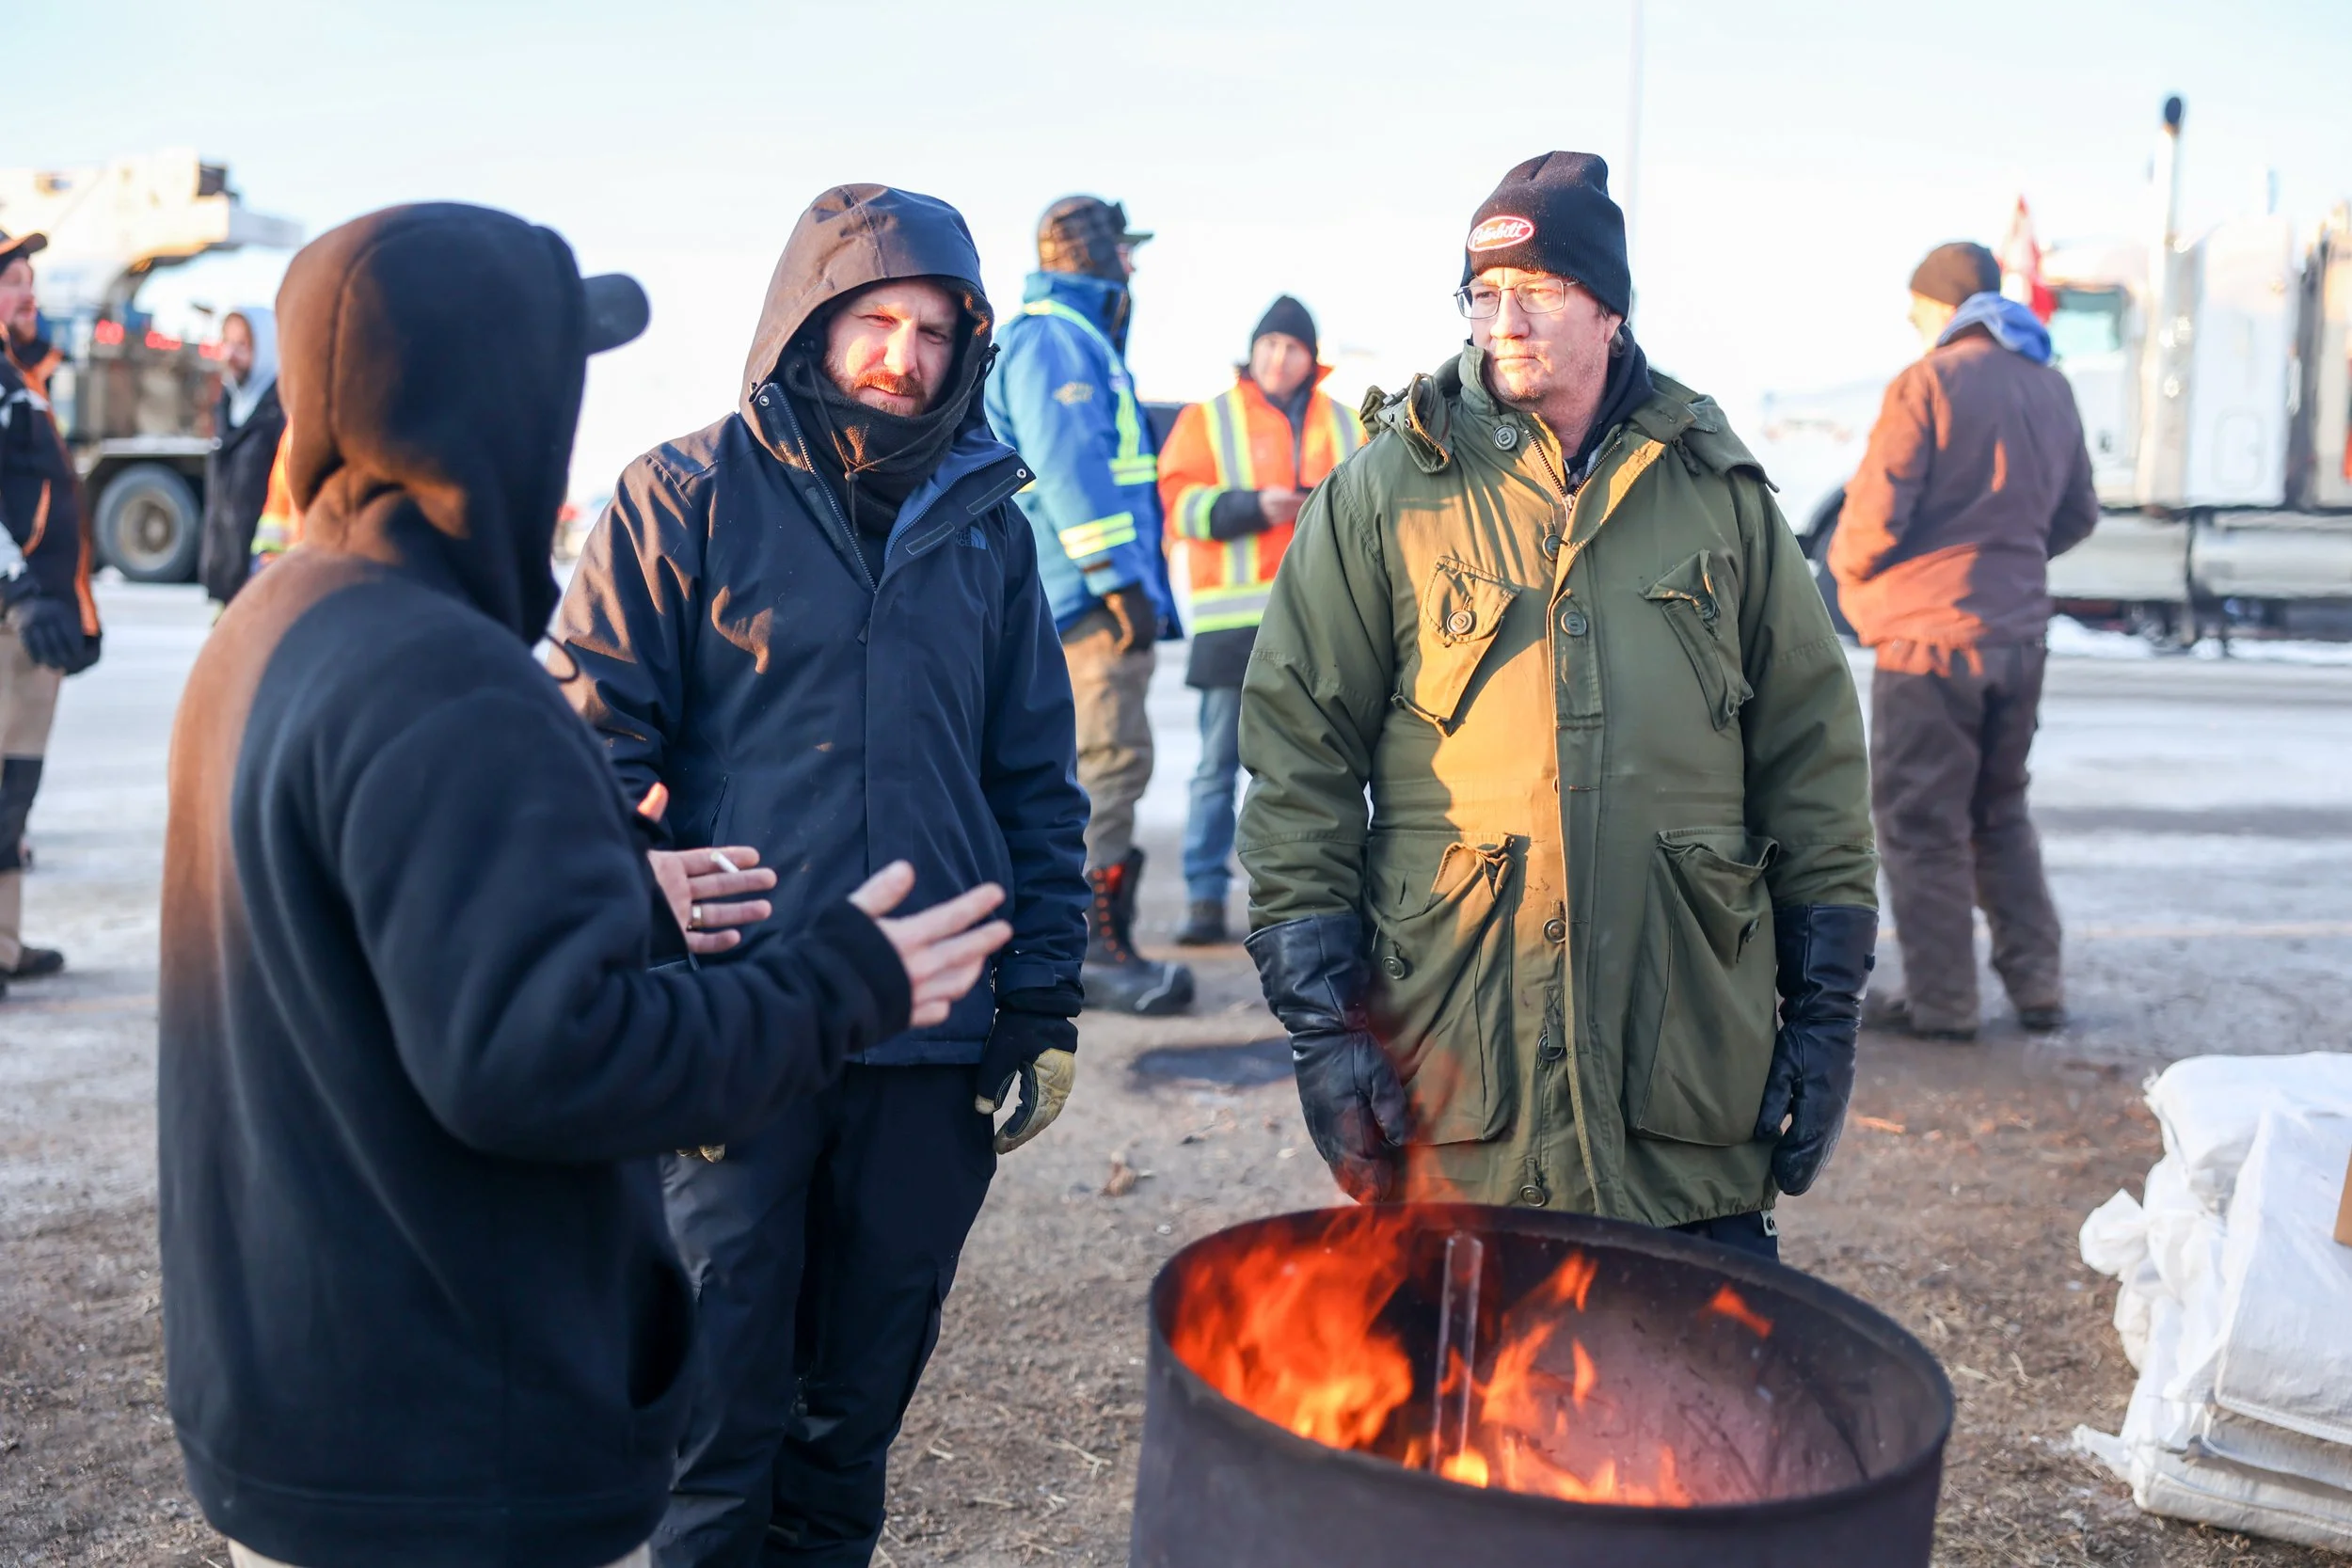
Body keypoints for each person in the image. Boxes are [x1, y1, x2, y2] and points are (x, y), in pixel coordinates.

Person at [158, 201, 1013, 1568]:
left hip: (304, 1409)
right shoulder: (444, 677)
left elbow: (399, 954)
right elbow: (536, 1056)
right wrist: (838, 980)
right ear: (490, 398)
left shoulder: (278, 624)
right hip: (437, 1462)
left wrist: (626, 895)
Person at [553, 183, 1089, 1567]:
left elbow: (1035, 777)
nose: (902, 355)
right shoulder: (681, 496)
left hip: (929, 1037)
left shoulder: (988, 527)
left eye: (932, 329)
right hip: (733, 1030)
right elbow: (579, 754)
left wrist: (1041, 998)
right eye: (874, 319)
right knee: (711, 1413)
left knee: (851, 1418)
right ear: (809, 320)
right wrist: (641, 909)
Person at [1237, 153, 1878, 1257]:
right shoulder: (1386, 491)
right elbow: (1298, 754)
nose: (1503, 320)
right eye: (1482, 292)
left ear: (1609, 309)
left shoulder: (1717, 492)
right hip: (1460, 1066)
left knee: (1696, 1363)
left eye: (1536, 288)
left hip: (1685, 1078)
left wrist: (1826, 1012)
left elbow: (1810, 754)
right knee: (1463, 1365)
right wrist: (1322, 1021)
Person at [1828, 242, 2098, 1042]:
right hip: (2018, 635)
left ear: (1942, 307)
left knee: (1921, 822)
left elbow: (1873, 518)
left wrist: (1849, 576)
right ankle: (2037, 982)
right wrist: (2010, 563)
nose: (1914, 325)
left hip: (1931, 640)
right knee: (1999, 810)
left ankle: (1943, 1001)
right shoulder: (2051, 385)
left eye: (1916, 310)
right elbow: (2079, 513)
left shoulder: (1929, 382)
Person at [986, 196, 1193, 1016]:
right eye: (1123, 248)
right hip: (1081, 603)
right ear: (1090, 251)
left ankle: (1074, 944)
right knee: (1107, 765)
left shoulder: (1068, 336)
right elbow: (1071, 468)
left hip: (1069, 594)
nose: (1131, 264)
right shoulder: (1057, 340)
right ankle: (1092, 950)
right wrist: (1119, 580)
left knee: (1087, 768)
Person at [1156, 295, 1361, 946]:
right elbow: (1178, 506)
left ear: (1311, 357)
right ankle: (1204, 900)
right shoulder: (1208, 418)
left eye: (1291, 346)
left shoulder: (1348, 422)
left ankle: (1302, 904)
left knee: (1308, 771)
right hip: (1230, 628)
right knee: (1216, 768)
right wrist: (1252, 506)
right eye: (1269, 344)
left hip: (1317, 625)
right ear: (1253, 350)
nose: (1278, 357)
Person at [0, 228, 101, 991]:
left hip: (34, 618)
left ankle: (4, 943)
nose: (28, 291)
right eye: (12, 280)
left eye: (29, 278)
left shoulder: (19, 373)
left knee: (13, 793)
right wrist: (21, 591)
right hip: (14, 613)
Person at [199, 306, 288, 605]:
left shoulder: (280, 413)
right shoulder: (227, 406)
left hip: (262, 582)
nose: (229, 354)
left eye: (242, 345)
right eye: (227, 342)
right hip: (227, 579)